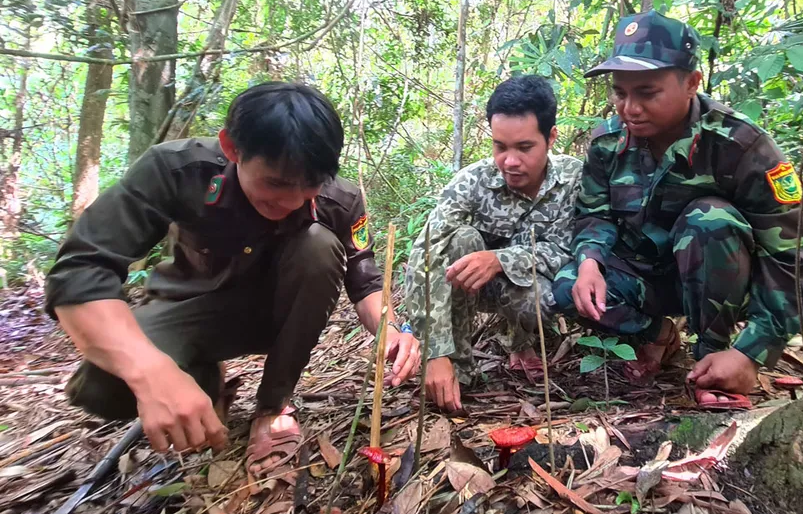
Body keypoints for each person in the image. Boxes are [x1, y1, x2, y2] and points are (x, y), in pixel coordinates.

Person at [46, 82, 420, 480]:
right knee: (104, 385)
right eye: (275, 183)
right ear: (231, 148)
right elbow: (81, 271)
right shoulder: (177, 171)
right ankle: (204, 380)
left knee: (318, 246)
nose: (293, 201)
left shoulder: (340, 200)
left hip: (279, 313)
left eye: (308, 186)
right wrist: (151, 370)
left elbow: (363, 280)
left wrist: (390, 330)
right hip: (191, 309)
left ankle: (274, 407)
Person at [552, 11, 803, 408]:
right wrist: (590, 262)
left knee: (708, 218)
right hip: (646, 278)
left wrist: (753, 351)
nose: (630, 107)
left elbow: (793, 256)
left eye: (647, 92)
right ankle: (658, 335)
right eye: (620, 92)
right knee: (565, 284)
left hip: (721, 280)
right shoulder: (607, 142)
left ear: (692, 83)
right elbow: (595, 215)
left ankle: (714, 357)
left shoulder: (741, 145)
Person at [405, 75, 582, 412]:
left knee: (542, 299)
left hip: (528, 286)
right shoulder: (473, 181)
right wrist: (432, 351)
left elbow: (565, 251)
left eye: (524, 147)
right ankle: (457, 368)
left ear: (551, 138)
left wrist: (501, 259)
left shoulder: (574, 179)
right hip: (474, 288)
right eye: (500, 146)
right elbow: (425, 255)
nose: (510, 161)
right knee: (461, 240)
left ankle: (523, 340)